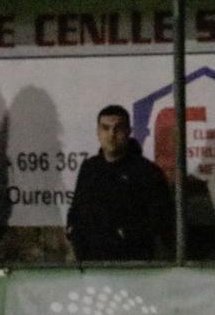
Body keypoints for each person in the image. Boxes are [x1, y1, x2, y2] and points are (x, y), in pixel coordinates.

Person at [67, 104, 173, 261]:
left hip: (132, 267)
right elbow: (76, 209)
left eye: (118, 128)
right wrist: (73, 233)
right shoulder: (90, 168)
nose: (111, 134)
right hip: (92, 266)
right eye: (105, 128)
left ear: (128, 132)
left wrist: (126, 232)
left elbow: (162, 220)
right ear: (97, 132)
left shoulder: (147, 172)